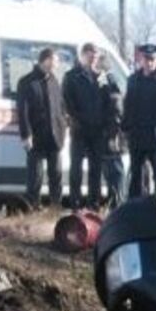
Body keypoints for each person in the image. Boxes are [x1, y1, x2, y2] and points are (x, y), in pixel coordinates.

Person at [122, 44, 156, 199]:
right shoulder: (133, 80)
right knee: (136, 175)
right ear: (141, 60)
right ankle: (134, 206)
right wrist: (125, 129)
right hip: (137, 134)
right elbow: (128, 105)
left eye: (152, 59)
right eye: (146, 59)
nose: (149, 62)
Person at [15, 48, 67, 208]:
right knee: (35, 177)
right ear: (46, 60)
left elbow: (60, 108)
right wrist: (26, 135)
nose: (57, 64)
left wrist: (63, 128)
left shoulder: (54, 81)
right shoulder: (26, 82)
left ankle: (55, 207)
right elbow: (22, 111)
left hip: (54, 137)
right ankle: (33, 207)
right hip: (36, 137)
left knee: (56, 175)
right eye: (55, 60)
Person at [62, 43, 106, 209]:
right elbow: (66, 102)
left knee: (96, 169)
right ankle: (75, 203)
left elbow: (108, 100)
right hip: (79, 129)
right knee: (76, 168)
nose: (93, 58)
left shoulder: (101, 76)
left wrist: (106, 123)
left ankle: (94, 204)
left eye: (95, 56)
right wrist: (77, 120)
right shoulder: (72, 76)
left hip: (97, 130)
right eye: (90, 55)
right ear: (82, 55)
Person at [99, 61, 127, 209]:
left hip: (109, 136)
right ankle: (116, 201)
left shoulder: (108, 84)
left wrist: (112, 136)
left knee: (113, 171)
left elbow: (115, 113)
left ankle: (115, 202)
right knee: (114, 171)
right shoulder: (112, 84)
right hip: (110, 135)